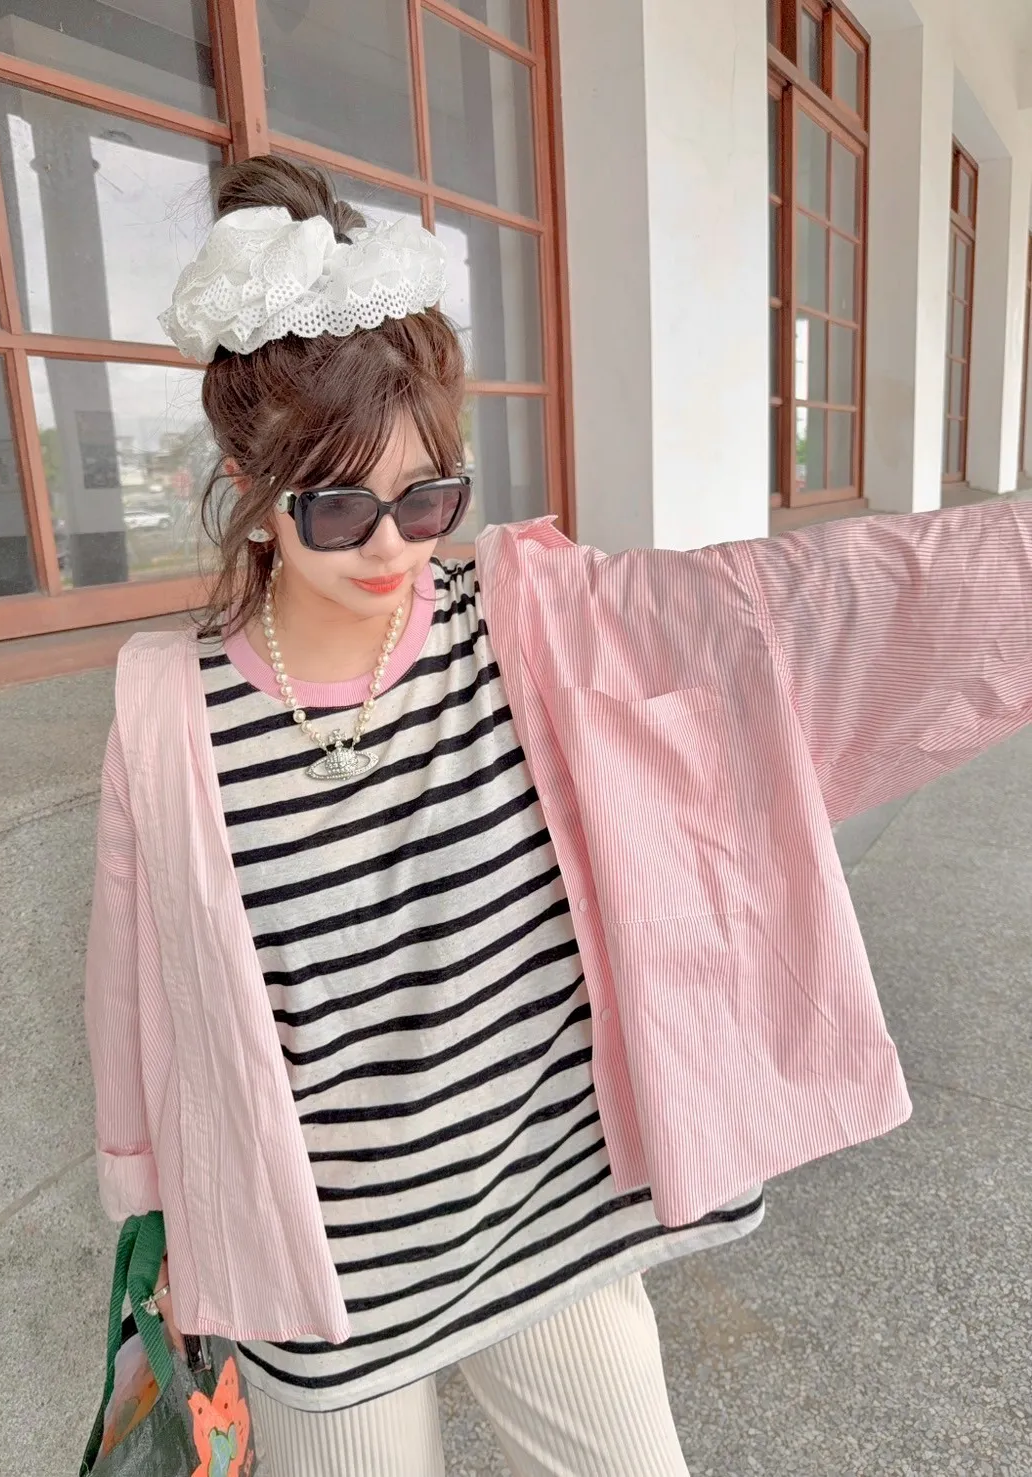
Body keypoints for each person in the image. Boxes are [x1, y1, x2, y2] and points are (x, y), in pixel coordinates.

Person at [91, 152, 1027, 1474]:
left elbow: (828, 600)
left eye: (430, 497)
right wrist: (160, 1202)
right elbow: (136, 991)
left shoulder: (537, 624)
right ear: (250, 487)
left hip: (552, 1222)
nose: (393, 546)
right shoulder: (166, 711)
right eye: (340, 506)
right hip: (332, 1281)